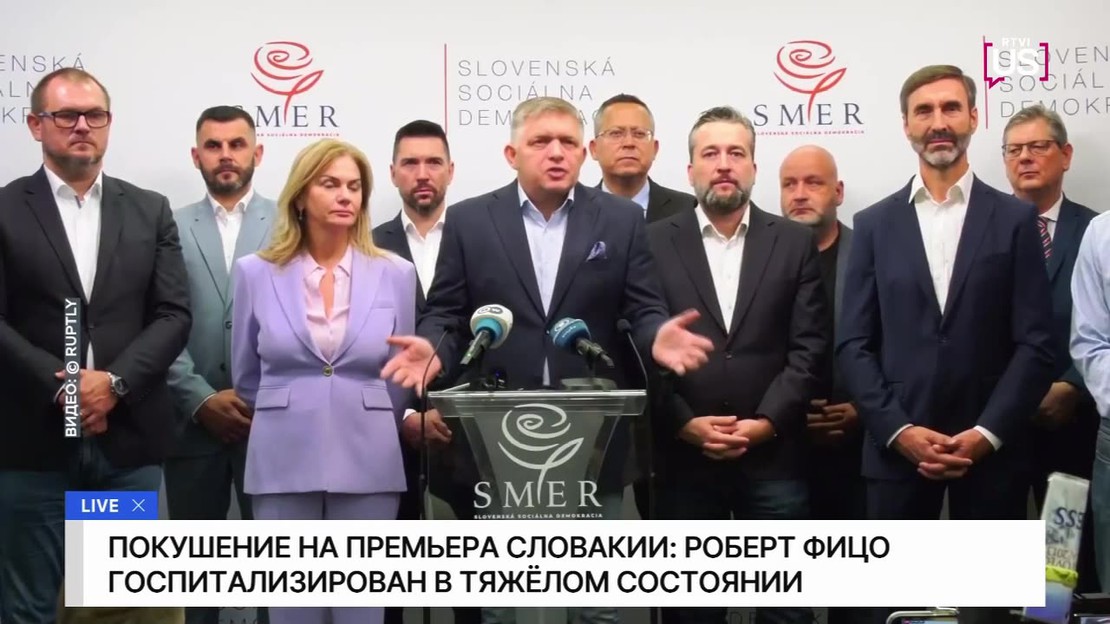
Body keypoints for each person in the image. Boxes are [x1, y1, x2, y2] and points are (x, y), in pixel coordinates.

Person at [381, 96, 714, 624]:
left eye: (567, 142)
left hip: (592, 433)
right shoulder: (470, 220)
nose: (556, 152)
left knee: (597, 607)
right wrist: (433, 346)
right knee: (497, 609)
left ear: (583, 153)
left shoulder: (621, 220)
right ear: (512, 154)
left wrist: (656, 336)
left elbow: (643, 308)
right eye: (541, 142)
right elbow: (447, 314)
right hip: (498, 439)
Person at [836, 64, 1055, 623]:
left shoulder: (1015, 219)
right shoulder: (874, 224)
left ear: (974, 118)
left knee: (988, 614)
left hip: (991, 456)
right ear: (906, 125)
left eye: (951, 108)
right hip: (896, 455)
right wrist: (899, 431)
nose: (939, 122)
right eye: (924, 111)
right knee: (892, 610)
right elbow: (853, 344)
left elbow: (1036, 344)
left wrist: (987, 434)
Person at [0, 67, 192, 624]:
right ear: (36, 125)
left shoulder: (149, 208)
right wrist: (61, 386)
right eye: (66, 115)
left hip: (123, 445)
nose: (82, 125)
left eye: (95, 115)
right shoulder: (5, 209)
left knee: (115, 610)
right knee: (28, 607)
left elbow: (173, 314)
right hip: (31, 446)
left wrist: (114, 383)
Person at [647, 106, 824, 624]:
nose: (724, 164)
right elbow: (638, 342)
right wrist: (683, 423)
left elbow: (809, 346)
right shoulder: (651, 242)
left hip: (774, 459)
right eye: (711, 153)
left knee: (787, 613)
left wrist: (766, 423)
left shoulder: (794, 241)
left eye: (736, 153)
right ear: (690, 170)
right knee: (690, 616)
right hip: (684, 462)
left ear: (752, 167)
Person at [230, 138, 416, 624]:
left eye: (354, 186)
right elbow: (245, 375)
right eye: (330, 184)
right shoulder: (255, 272)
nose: (345, 196)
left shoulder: (396, 273)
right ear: (300, 196)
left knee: (362, 613)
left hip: (369, 460)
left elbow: (400, 374)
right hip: (281, 459)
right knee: (293, 612)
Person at [165, 105, 276, 624]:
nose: (226, 155)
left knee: (281, 577)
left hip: (273, 426)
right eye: (214, 146)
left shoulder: (292, 220)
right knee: (196, 580)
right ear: (196, 155)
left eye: (237, 144)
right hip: (191, 425)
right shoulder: (166, 224)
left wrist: (265, 396)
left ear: (258, 152)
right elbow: (155, 321)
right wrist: (200, 397)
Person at [373, 119, 479, 624]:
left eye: (433, 162)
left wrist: (452, 409)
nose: (422, 173)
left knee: (474, 590)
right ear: (393, 172)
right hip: (386, 437)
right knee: (386, 587)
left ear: (451, 171)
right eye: (410, 163)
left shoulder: (483, 239)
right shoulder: (365, 245)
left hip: (468, 434)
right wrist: (402, 416)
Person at [1002, 104, 1100, 592]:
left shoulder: (1097, 232)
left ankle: (1060, 614)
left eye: (1038, 146)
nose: (1025, 157)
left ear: (1065, 155)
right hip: (996, 426)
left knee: (1064, 568)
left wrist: (1072, 385)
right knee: (996, 565)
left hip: (1073, 426)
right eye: (1014, 150)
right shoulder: (981, 228)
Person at [779, 145, 866, 624]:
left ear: (838, 191)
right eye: (789, 184)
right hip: (782, 448)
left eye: (813, 183)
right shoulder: (763, 256)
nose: (800, 194)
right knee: (786, 594)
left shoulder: (869, 253)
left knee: (856, 595)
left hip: (858, 449)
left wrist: (862, 410)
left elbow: (896, 343)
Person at [590, 93, 696, 223]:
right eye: (616, 133)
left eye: (639, 134)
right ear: (594, 149)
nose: (629, 143)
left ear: (655, 148)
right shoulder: (575, 211)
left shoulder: (689, 209)